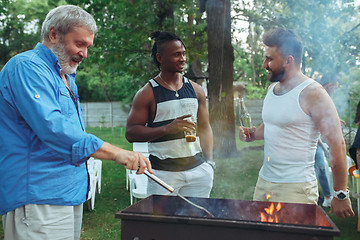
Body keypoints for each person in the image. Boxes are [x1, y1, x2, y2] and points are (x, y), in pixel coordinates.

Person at [0, 5, 152, 240]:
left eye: (88, 46)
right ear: (53, 35)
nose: (84, 54)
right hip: (38, 195)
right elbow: (53, 128)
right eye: (79, 44)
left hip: (68, 193)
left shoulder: (66, 77)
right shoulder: (26, 67)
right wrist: (116, 153)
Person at [238, 28, 354, 218]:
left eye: (269, 59)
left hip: (296, 189)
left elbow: (337, 144)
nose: (264, 64)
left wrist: (340, 193)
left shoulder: (314, 93)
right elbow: (270, 126)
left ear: (288, 60)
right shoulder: (272, 89)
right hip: (264, 182)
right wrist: (252, 133)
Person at [125, 31, 214, 198]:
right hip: (163, 174)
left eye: (183, 53)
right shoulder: (147, 93)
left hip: (198, 172)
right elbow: (130, 133)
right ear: (160, 58)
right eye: (176, 55)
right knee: (163, 224)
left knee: (197, 221)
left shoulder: (196, 90)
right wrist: (167, 129)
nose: (183, 59)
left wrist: (209, 162)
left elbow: (205, 126)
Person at [315, 72, 340, 208]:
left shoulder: (320, 96)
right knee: (319, 168)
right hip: (309, 142)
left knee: (320, 168)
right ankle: (326, 197)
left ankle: (326, 197)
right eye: (335, 88)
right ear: (329, 86)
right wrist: (325, 149)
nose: (335, 91)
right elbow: (314, 128)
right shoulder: (318, 98)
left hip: (315, 141)